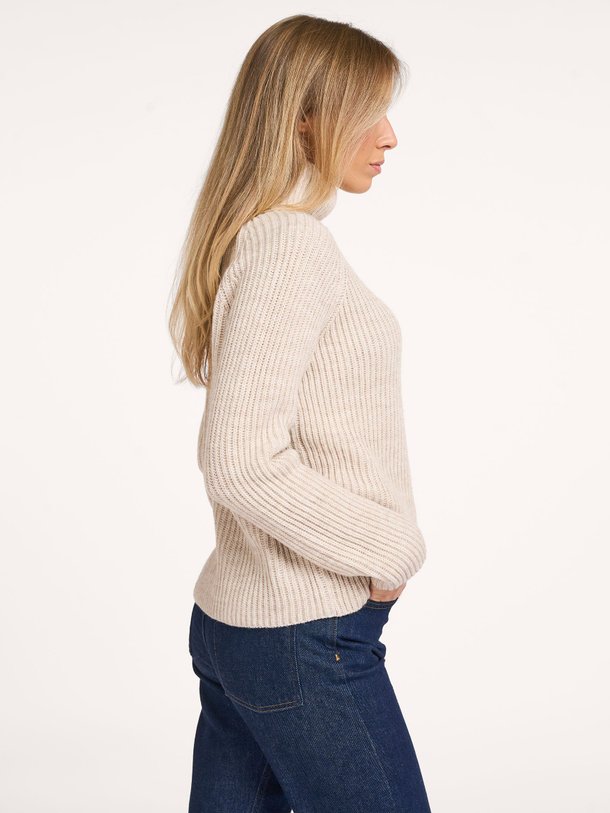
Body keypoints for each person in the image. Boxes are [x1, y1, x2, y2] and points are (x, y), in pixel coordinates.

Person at [168, 13, 432, 813]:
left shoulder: (264, 239)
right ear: (306, 118)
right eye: (370, 111)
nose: (389, 137)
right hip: (303, 636)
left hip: (247, 625)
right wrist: (391, 546)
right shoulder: (288, 246)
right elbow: (241, 458)